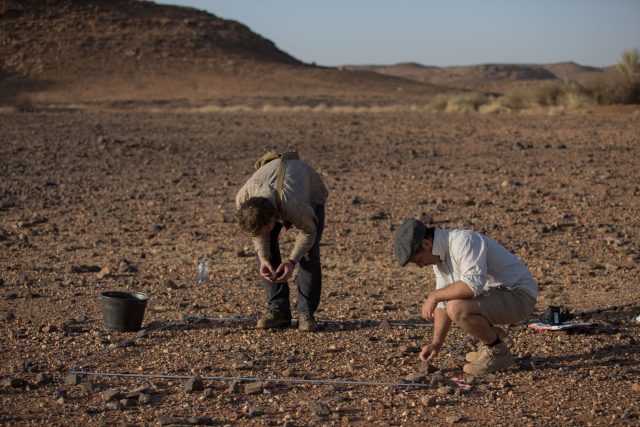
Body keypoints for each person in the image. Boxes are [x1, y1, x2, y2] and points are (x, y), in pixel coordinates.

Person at [394, 218, 537, 375]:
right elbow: (442, 303)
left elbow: (472, 286)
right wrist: (436, 343)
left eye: (418, 260)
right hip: (496, 295)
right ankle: (491, 340)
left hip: (519, 296)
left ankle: (497, 351)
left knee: (456, 307)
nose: (421, 266)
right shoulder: (439, 257)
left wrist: (434, 296)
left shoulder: (463, 241)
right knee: (452, 304)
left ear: (426, 244)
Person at [236, 155, 328, 332]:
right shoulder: (243, 200)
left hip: (307, 190)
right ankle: (279, 312)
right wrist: (263, 258)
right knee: (266, 251)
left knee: (309, 253)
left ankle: (306, 313)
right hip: (273, 190)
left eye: (266, 229)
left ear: (274, 218)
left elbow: (309, 232)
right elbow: (258, 233)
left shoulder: (292, 205)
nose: (264, 234)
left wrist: (292, 261)